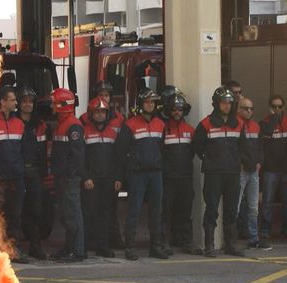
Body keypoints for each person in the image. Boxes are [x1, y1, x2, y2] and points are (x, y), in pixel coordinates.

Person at [116, 89, 169, 259]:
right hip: (137, 174)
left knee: (156, 211)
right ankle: (129, 247)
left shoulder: (161, 124)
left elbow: (163, 149)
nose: (150, 105)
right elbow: (121, 152)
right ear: (141, 104)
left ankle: (156, 246)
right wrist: (120, 176)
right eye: (147, 102)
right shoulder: (130, 124)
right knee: (134, 211)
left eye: (152, 102)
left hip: (155, 174)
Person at [195, 86, 246, 257]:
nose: (227, 106)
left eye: (229, 103)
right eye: (223, 103)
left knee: (232, 211)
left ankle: (230, 245)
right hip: (213, 174)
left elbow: (243, 146)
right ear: (217, 104)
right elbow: (198, 147)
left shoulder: (239, 124)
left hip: (232, 173)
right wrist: (210, 161)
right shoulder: (205, 124)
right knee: (212, 209)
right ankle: (210, 245)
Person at [0, 86, 28, 264]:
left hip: (16, 177)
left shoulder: (19, 124)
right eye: (12, 100)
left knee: (15, 216)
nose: (16, 103)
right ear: (2, 101)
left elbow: (24, 151)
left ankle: (14, 250)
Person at [162, 91, 201, 255]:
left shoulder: (190, 130)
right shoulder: (163, 130)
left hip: (185, 177)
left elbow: (193, 152)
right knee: (165, 211)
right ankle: (163, 242)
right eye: (174, 109)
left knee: (185, 210)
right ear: (169, 111)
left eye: (179, 109)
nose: (177, 112)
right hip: (167, 178)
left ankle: (186, 241)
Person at [81, 96, 120, 258]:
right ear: (91, 113)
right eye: (97, 112)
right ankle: (84, 244)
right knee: (88, 212)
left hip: (108, 180)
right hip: (91, 180)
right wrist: (86, 177)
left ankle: (102, 246)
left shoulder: (113, 131)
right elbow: (80, 157)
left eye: (103, 112)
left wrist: (118, 178)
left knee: (106, 213)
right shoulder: (84, 130)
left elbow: (119, 156)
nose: (100, 115)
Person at [50, 87, 86, 262]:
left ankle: (77, 249)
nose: (52, 106)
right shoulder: (62, 123)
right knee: (66, 214)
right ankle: (70, 247)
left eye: (54, 103)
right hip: (62, 177)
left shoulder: (73, 125)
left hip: (69, 178)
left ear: (63, 105)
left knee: (73, 213)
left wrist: (69, 174)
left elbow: (77, 155)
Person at [259, 94, 287, 243]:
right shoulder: (264, 123)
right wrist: (274, 119)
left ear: (284, 108)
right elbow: (267, 133)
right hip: (270, 170)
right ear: (270, 108)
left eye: (279, 107)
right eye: (274, 107)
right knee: (267, 201)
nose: (277, 109)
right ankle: (265, 229)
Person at [17, 87, 50, 259]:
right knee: (17, 211)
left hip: (35, 172)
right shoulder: (14, 123)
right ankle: (15, 247)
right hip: (19, 173)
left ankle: (35, 246)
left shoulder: (40, 125)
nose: (28, 104)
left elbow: (43, 150)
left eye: (30, 101)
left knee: (36, 210)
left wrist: (44, 173)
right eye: (24, 101)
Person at [234, 96, 269, 250]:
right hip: (240, 170)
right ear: (238, 109)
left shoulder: (256, 125)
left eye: (251, 108)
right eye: (245, 108)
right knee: (235, 206)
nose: (249, 111)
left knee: (253, 206)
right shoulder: (234, 125)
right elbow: (235, 148)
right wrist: (240, 163)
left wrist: (260, 161)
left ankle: (253, 238)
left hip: (254, 170)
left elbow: (260, 146)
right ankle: (231, 239)